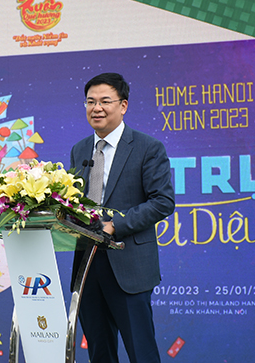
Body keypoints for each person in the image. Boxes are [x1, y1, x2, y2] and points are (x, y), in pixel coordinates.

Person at [70, 72, 175, 363]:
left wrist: (115, 225)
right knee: (99, 353)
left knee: (141, 352)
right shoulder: (80, 150)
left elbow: (163, 202)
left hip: (128, 264)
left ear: (123, 105)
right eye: (90, 102)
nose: (97, 108)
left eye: (105, 101)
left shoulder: (147, 148)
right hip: (87, 264)